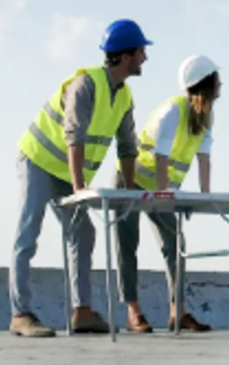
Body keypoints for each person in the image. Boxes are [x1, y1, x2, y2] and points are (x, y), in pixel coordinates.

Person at [8, 19, 152, 338]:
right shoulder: (86, 84)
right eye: (142, 51)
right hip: (38, 161)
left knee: (83, 233)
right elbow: (74, 136)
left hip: (66, 172)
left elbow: (128, 147)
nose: (145, 57)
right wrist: (78, 189)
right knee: (28, 232)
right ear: (126, 55)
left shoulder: (125, 96)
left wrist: (129, 192)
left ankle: (82, 312)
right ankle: (20, 314)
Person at [113, 55, 221, 333]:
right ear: (206, 83)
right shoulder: (172, 111)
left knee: (175, 244)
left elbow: (204, 158)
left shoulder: (206, 115)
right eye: (217, 79)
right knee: (127, 243)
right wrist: (163, 195)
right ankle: (133, 312)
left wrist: (206, 196)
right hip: (130, 179)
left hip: (160, 187)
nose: (221, 84)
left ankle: (179, 312)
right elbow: (161, 157)